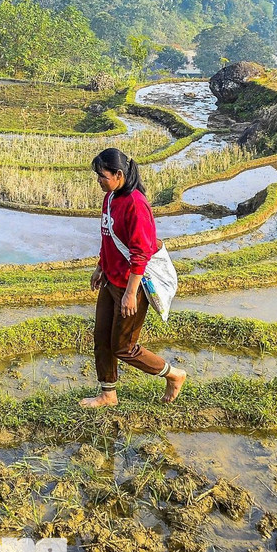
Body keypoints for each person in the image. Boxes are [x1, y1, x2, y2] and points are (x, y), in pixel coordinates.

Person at [79, 147, 186, 408]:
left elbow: (140, 253)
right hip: (111, 279)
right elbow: (109, 238)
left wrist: (130, 293)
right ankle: (108, 394)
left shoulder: (136, 205)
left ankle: (173, 374)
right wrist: (100, 267)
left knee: (124, 347)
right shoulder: (111, 197)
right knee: (101, 338)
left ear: (118, 174)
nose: (99, 181)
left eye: (102, 176)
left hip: (131, 286)